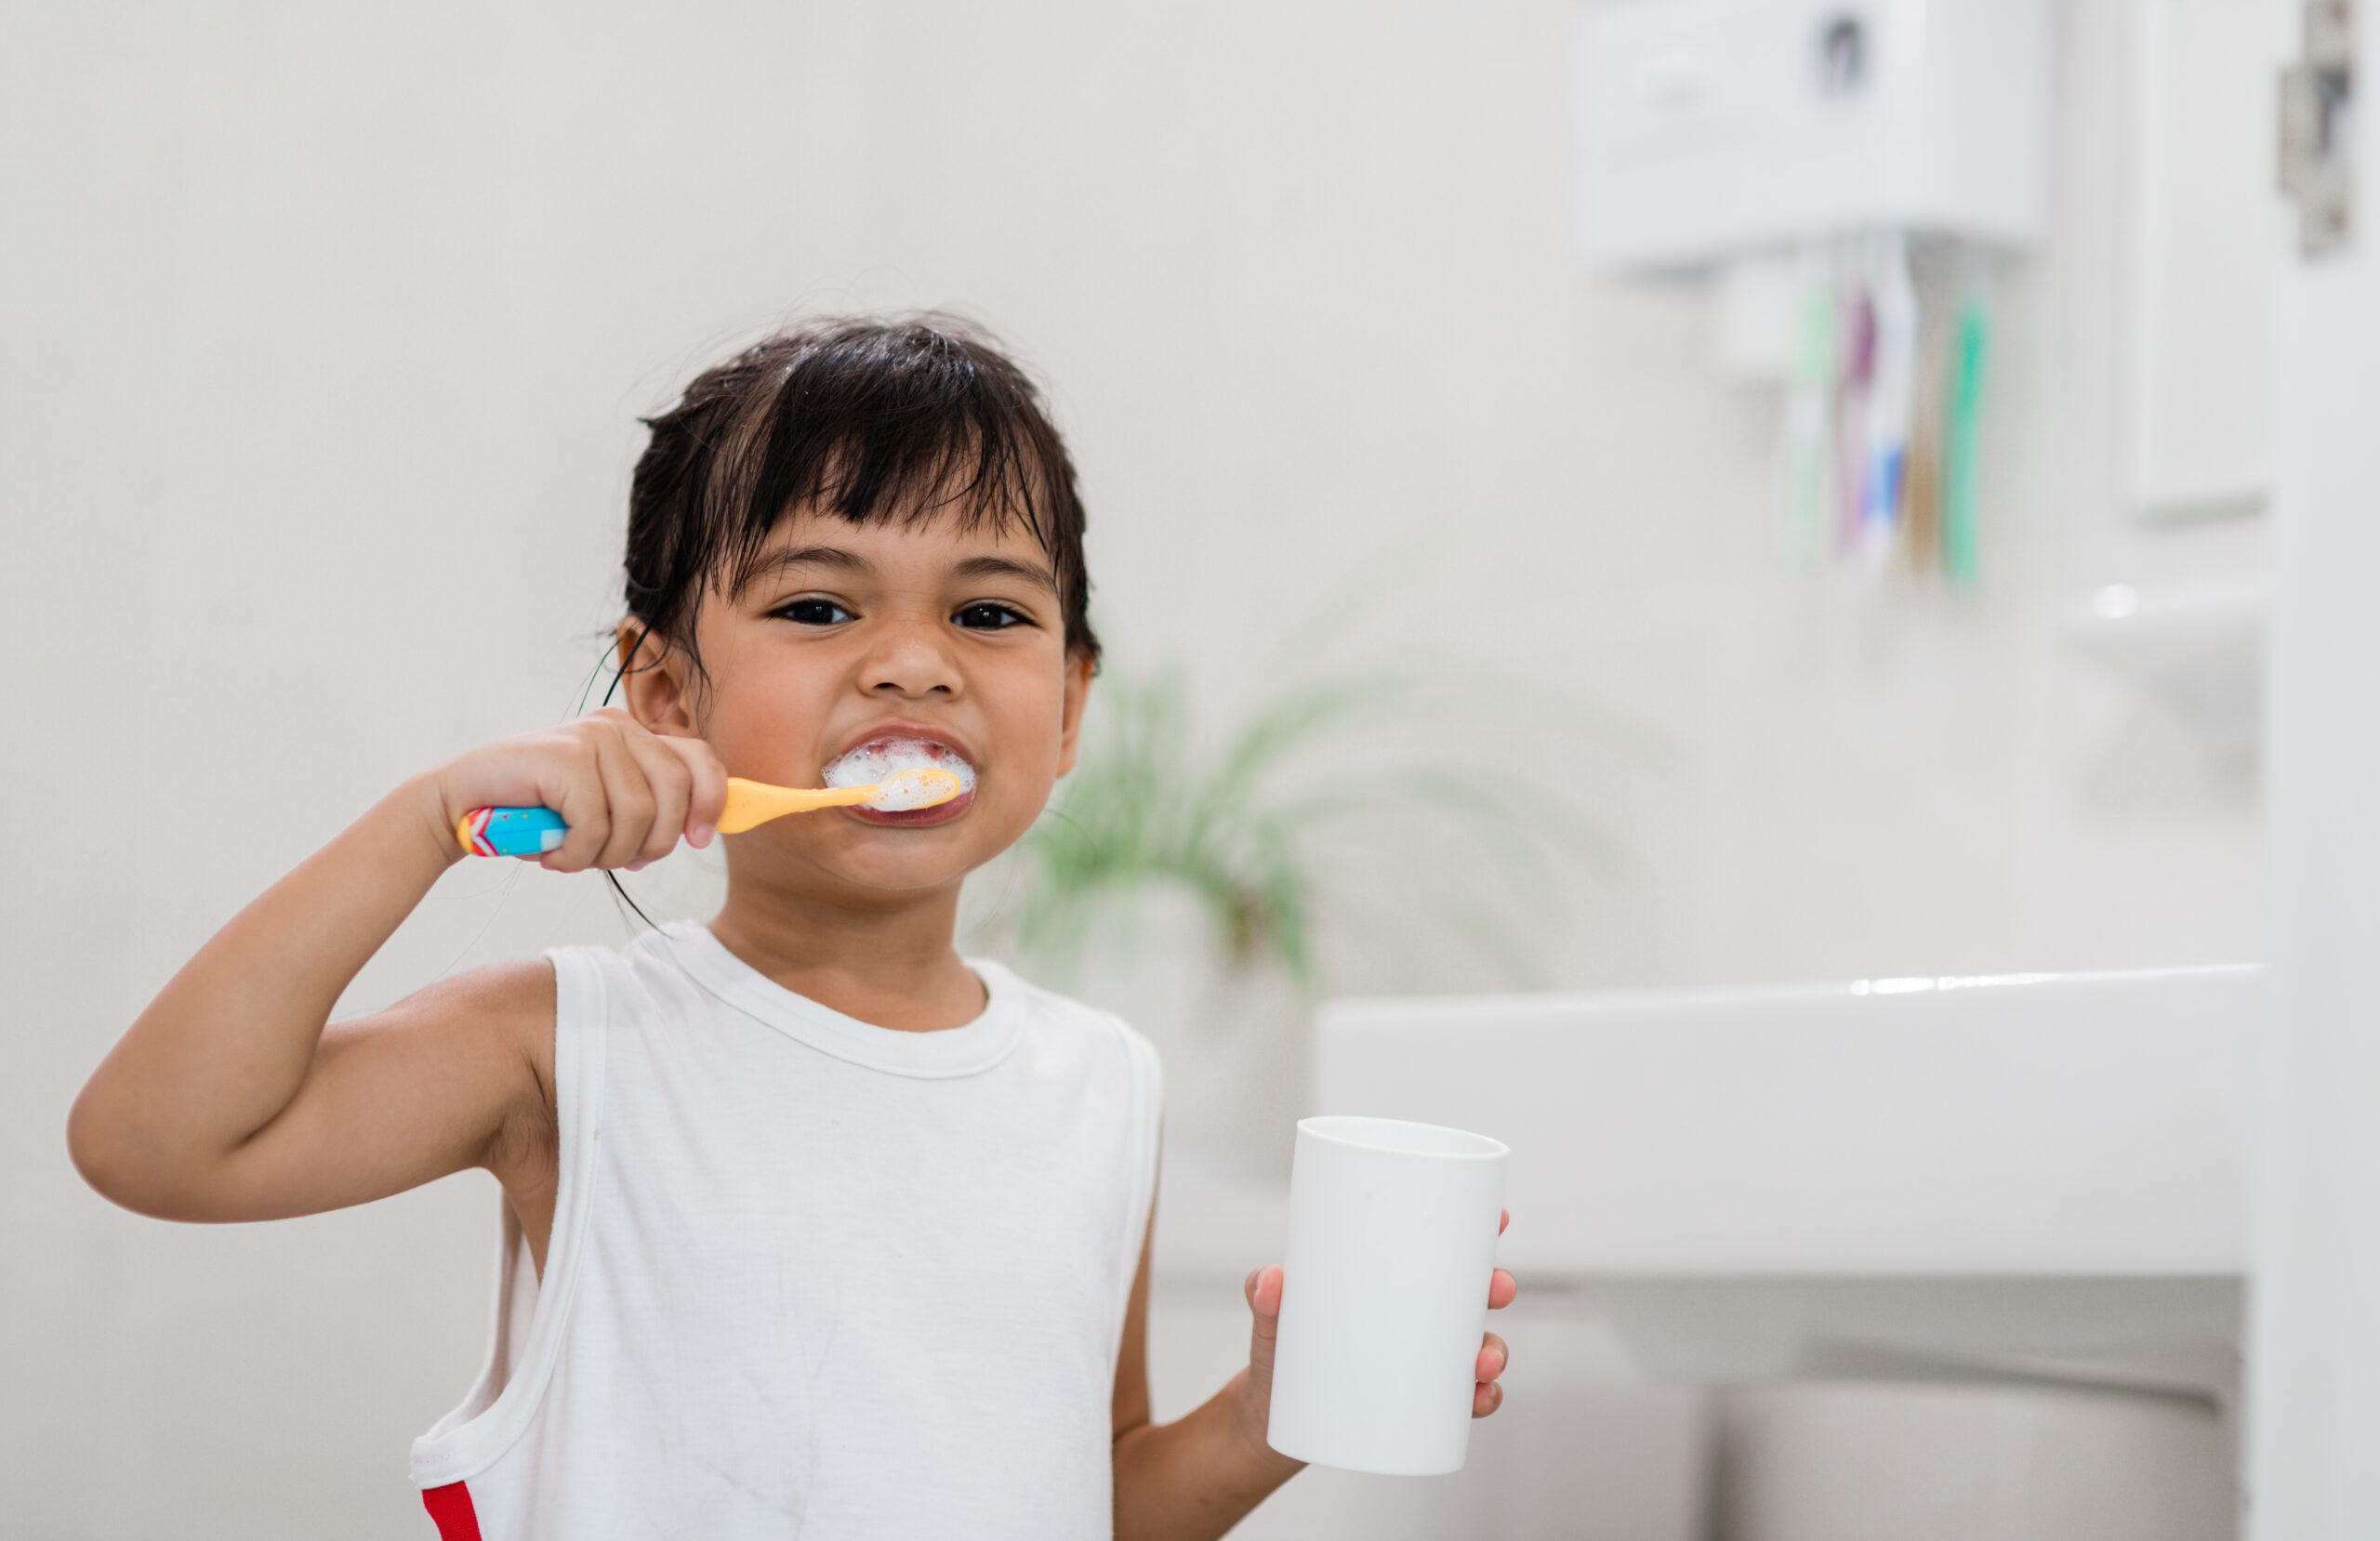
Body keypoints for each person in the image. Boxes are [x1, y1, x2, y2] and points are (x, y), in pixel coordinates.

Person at [67, 315, 1515, 1540]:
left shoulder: (1100, 1084)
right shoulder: (565, 1048)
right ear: (665, 698)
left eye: (991, 617)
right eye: (820, 604)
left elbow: (1094, 1494)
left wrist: (1274, 1412)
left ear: (1070, 707)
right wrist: (428, 820)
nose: (914, 665)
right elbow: (156, 1143)